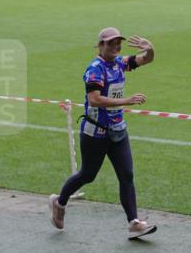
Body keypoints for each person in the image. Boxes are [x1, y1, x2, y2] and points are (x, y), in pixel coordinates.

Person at [50, 27, 157, 240]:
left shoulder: (119, 63)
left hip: (118, 130)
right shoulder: (95, 69)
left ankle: (133, 223)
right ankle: (59, 202)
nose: (116, 46)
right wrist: (126, 101)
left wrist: (150, 49)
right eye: (110, 43)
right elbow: (95, 100)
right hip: (95, 133)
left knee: (126, 175)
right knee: (87, 175)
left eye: (118, 42)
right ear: (100, 45)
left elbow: (146, 59)